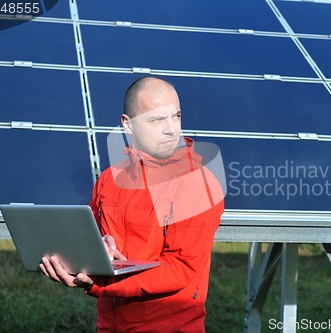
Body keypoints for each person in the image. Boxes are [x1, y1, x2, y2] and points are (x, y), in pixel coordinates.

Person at [40, 76, 225, 332]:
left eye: (176, 116)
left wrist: (99, 282)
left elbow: (181, 268)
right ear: (128, 124)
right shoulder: (109, 179)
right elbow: (90, 238)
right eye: (157, 119)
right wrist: (94, 250)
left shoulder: (196, 184)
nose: (171, 129)